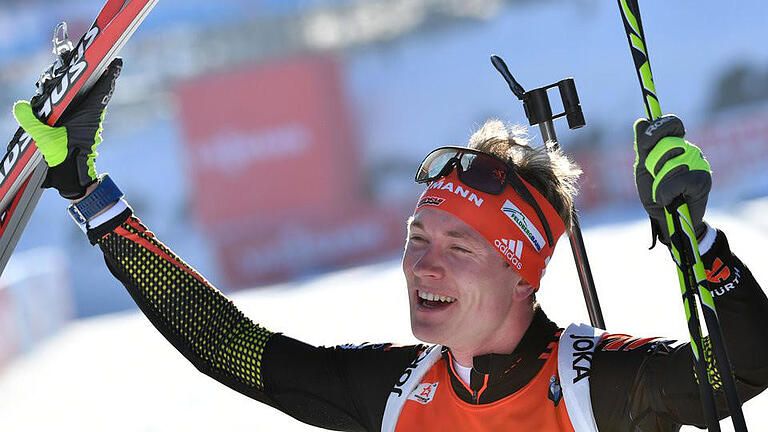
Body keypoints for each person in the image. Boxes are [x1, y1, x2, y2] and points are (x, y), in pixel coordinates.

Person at [13, 58, 768, 431]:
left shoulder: (592, 386)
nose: (422, 264)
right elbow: (236, 351)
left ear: (521, 273)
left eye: (459, 247)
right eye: (417, 236)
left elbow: (745, 366)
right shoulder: (404, 391)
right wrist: (92, 197)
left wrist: (695, 242)